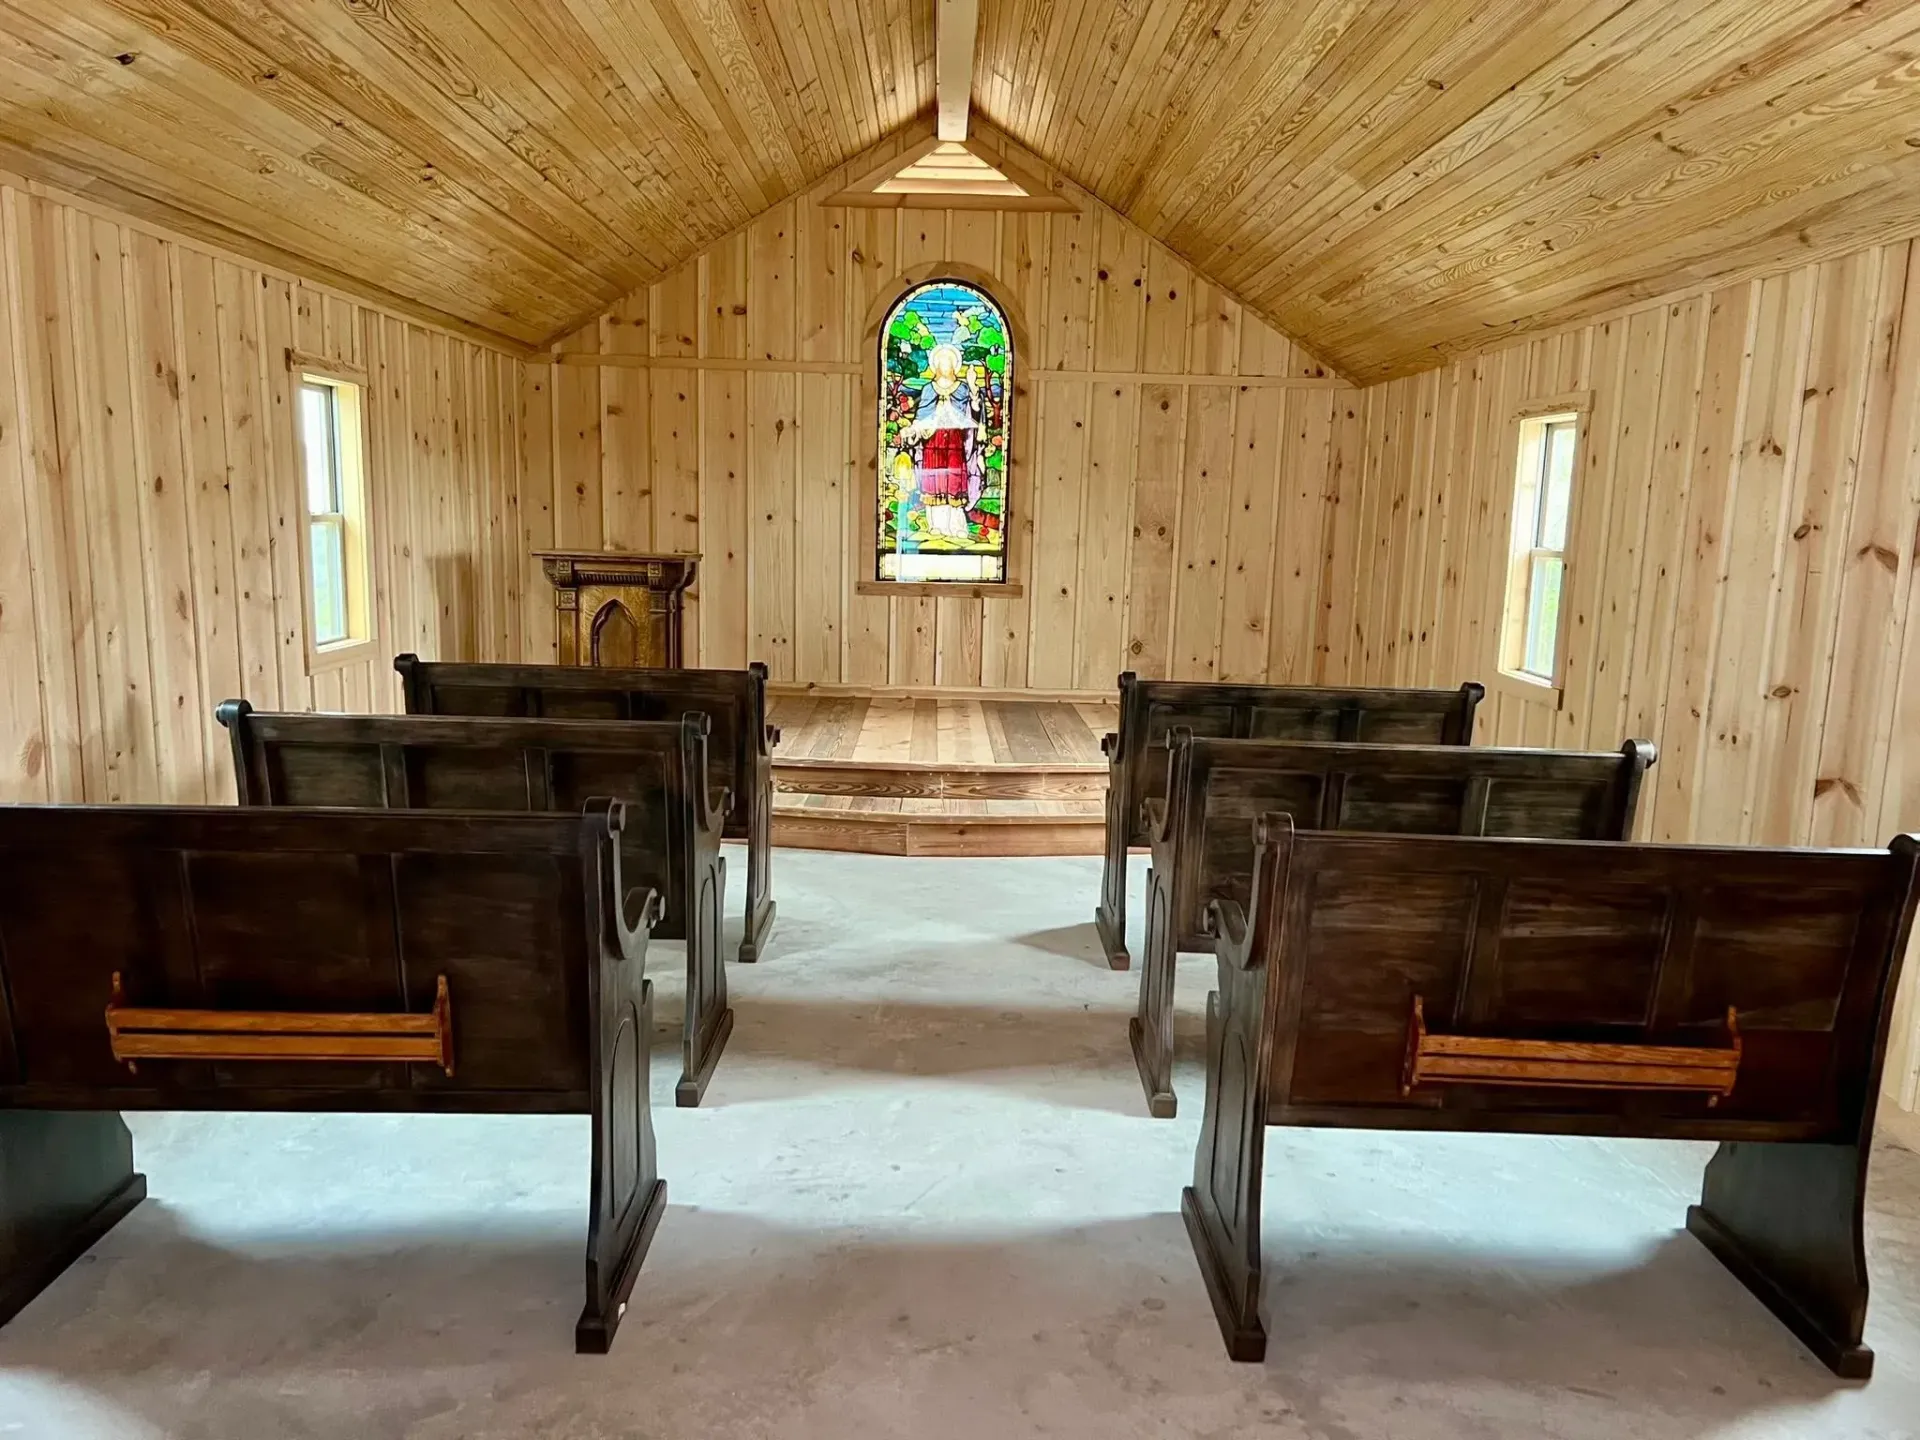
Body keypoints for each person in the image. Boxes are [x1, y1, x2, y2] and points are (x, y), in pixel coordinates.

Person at [900, 340, 985, 543]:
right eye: (942, 362)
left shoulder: (963, 388)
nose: (945, 366)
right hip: (933, 441)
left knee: (955, 481)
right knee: (934, 482)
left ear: (953, 366)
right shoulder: (929, 389)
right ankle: (936, 525)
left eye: (949, 362)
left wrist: (973, 389)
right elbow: (922, 416)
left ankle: (957, 526)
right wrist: (913, 429)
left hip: (955, 441)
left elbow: (974, 412)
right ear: (937, 366)